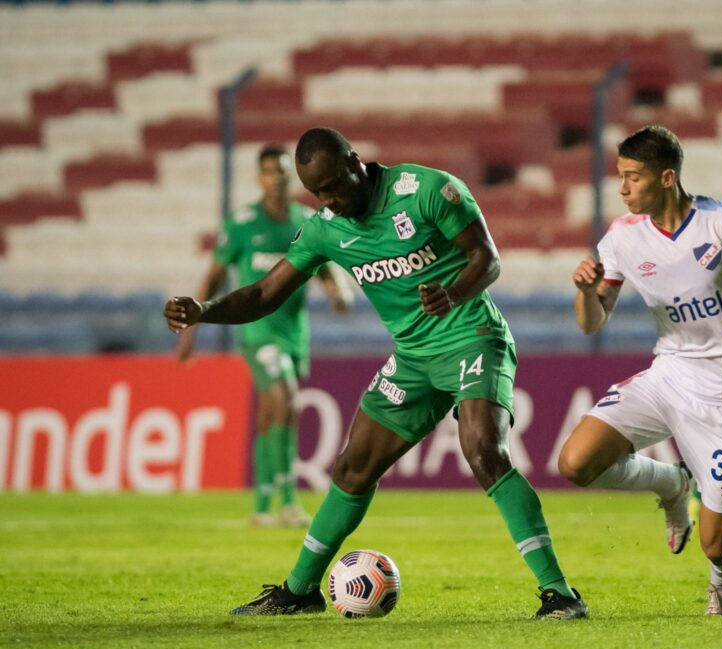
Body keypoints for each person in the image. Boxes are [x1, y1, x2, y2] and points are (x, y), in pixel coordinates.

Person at [164, 127, 588, 620]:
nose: (328, 200)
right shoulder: (325, 228)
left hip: (472, 336)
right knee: (352, 468)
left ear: (354, 162)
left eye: (332, 186)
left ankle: (560, 593)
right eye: (316, 193)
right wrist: (205, 310)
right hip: (412, 357)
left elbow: (487, 260)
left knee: (483, 451)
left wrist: (452, 293)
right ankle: (300, 590)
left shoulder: (427, 190)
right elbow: (264, 293)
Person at [558, 125, 722, 616]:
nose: (623, 189)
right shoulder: (623, 237)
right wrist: (584, 293)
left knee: (716, 544)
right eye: (620, 176)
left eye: (633, 177)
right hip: (668, 377)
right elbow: (593, 322)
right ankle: (671, 482)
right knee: (575, 462)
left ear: (666, 178)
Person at [176, 144, 354, 528]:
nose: (277, 178)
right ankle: (287, 501)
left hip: (294, 333)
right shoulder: (241, 224)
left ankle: (261, 504)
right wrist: (191, 328)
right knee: (284, 396)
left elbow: (327, 269)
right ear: (260, 177)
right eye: (269, 171)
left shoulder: (305, 221)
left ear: (292, 177)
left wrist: (338, 292)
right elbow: (213, 277)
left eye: (282, 171)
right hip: (257, 332)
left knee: (273, 412)